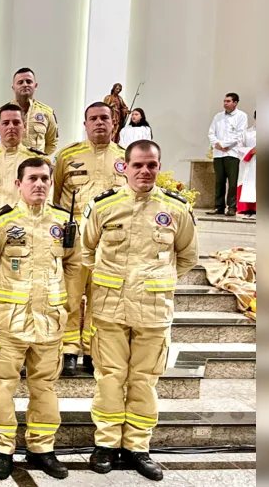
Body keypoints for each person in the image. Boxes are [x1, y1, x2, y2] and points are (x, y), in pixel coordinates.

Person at [83, 140, 198, 481]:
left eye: (151, 165)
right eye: (138, 165)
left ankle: (138, 447)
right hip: (109, 308)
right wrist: (110, 281)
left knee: (145, 381)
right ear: (125, 166)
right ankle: (105, 444)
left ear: (159, 167)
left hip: (153, 310)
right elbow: (87, 251)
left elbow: (188, 256)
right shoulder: (104, 206)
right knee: (109, 378)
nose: (145, 171)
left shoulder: (176, 209)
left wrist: (156, 281)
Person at [0, 157, 81, 481]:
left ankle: (41, 447)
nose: (39, 184)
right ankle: (2, 450)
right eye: (32, 178)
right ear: (18, 184)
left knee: (45, 387)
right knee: (2, 388)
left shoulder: (64, 221)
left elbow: (74, 265)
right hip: (10, 321)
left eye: (44, 179)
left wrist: (65, 303)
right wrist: (4, 298)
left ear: (51, 183)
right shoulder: (1, 222)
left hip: (49, 321)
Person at [53, 102, 126, 373]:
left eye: (104, 118)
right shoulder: (67, 157)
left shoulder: (125, 157)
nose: (99, 123)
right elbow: (55, 195)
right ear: (85, 124)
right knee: (71, 295)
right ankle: (69, 347)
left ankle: (93, 348)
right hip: (75, 239)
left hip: (111, 243)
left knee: (102, 297)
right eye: (93, 118)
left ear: (114, 122)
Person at [0, 103, 47, 358]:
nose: (11, 127)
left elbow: (45, 200)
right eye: (6, 123)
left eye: (17, 122)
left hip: (29, 238)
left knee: (29, 294)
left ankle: (23, 351)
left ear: (24, 127)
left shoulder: (38, 162)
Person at [207, 92, 248, 216]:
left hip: (232, 153)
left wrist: (225, 145)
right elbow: (211, 133)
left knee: (232, 182)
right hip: (219, 153)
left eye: (228, 101)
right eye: (224, 101)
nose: (225, 103)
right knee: (219, 181)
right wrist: (217, 144)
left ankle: (232, 207)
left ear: (235, 103)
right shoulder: (218, 116)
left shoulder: (241, 116)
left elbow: (240, 134)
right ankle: (218, 207)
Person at [3, 68, 58, 156]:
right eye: (20, 82)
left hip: (36, 166)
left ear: (35, 86)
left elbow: (52, 143)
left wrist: (38, 158)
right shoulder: (2, 113)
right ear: (13, 87)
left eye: (29, 82)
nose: (25, 85)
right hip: (11, 165)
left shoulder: (47, 112)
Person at [237, 110, 257, 217]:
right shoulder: (247, 133)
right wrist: (251, 151)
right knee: (249, 184)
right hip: (250, 163)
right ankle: (248, 209)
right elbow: (239, 148)